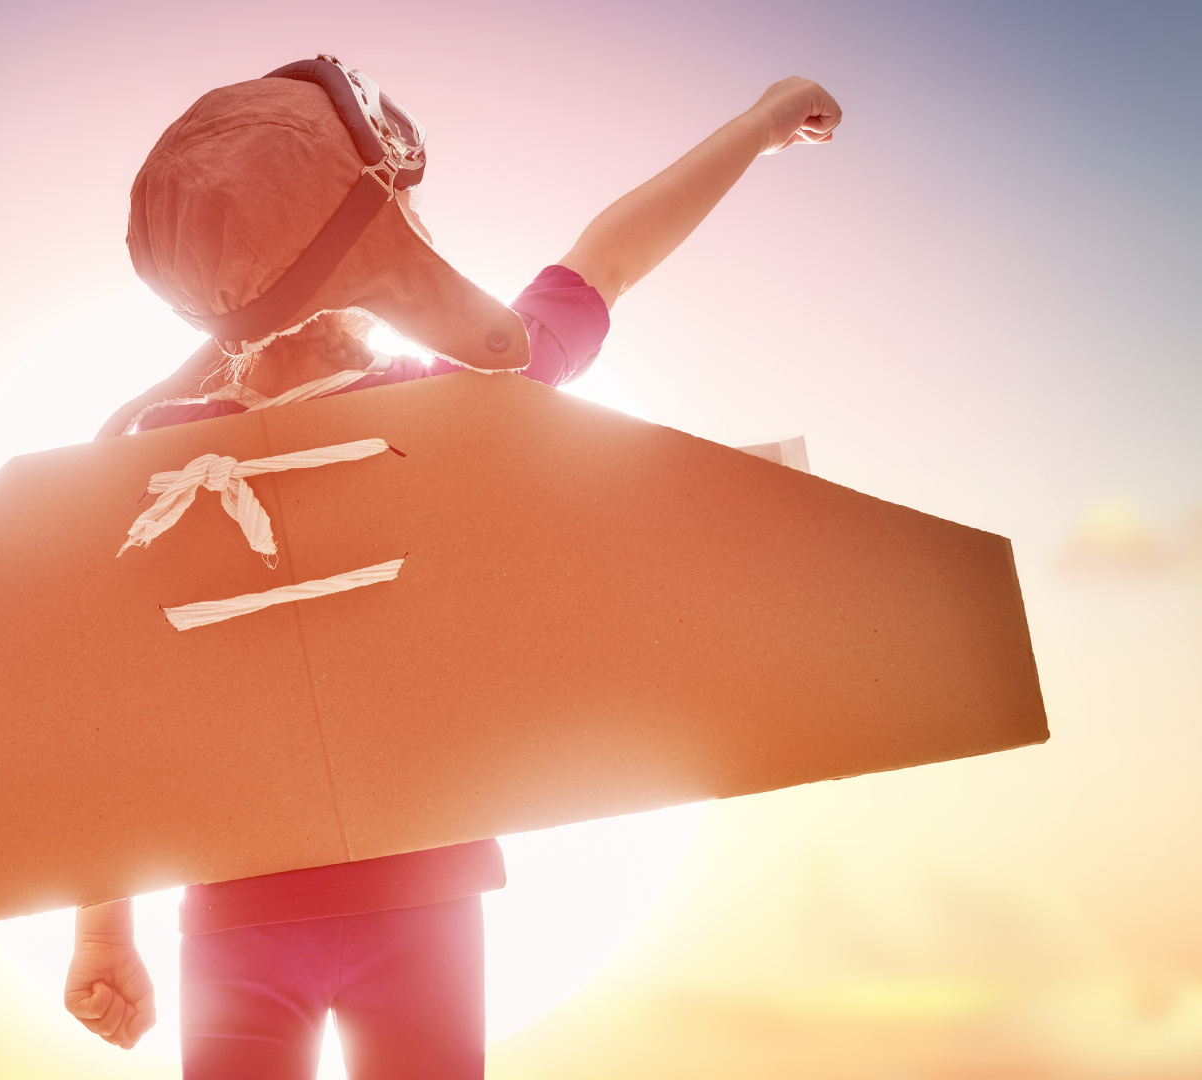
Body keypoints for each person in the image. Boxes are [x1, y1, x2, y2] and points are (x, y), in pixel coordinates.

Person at [64, 56, 841, 1080]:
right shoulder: (465, 400)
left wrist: (102, 932)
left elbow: (108, 703)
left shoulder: (149, 463)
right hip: (421, 907)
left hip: (235, 916)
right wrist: (761, 120)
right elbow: (603, 265)